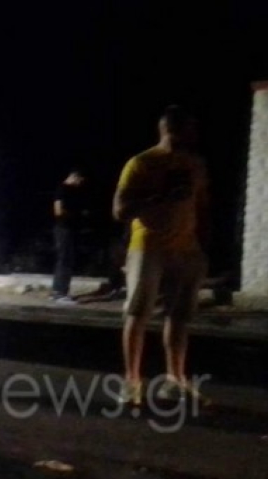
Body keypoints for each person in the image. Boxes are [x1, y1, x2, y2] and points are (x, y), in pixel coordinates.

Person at [112, 105, 210, 406]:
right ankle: (132, 383)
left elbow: (202, 206)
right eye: (190, 128)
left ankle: (175, 381)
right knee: (138, 313)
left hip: (187, 249)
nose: (195, 134)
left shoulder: (195, 164)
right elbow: (119, 210)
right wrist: (157, 197)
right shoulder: (142, 163)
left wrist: (203, 247)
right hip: (148, 247)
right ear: (172, 129)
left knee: (179, 316)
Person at [50, 167, 91, 302]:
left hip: (68, 230)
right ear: (75, 177)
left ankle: (57, 291)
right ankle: (60, 293)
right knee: (65, 260)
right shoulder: (62, 189)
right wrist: (76, 215)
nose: (80, 184)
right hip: (64, 229)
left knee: (65, 260)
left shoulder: (68, 190)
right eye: (80, 180)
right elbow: (58, 211)